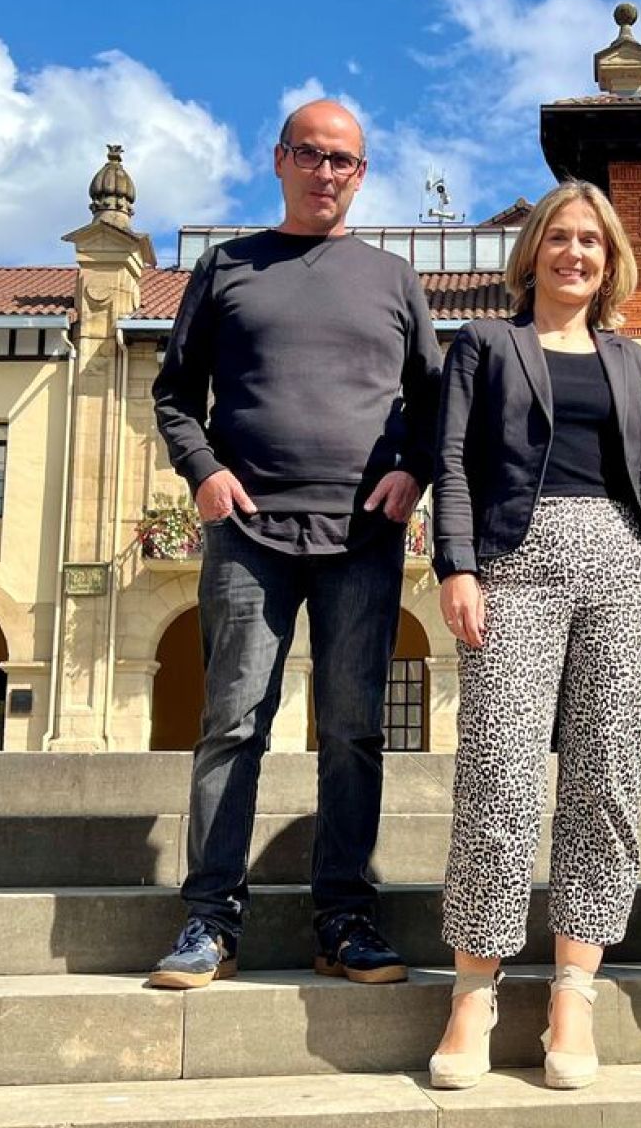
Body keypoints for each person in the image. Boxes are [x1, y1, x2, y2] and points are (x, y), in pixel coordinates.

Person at [148, 99, 441, 990]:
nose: (326, 172)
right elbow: (172, 393)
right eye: (310, 154)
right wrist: (202, 470)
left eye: (344, 160)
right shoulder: (227, 267)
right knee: (234, 724)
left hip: (363, 536)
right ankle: (209, 921)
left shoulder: (395, 278)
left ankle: (346, 917)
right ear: (278, 159)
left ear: (362, 173)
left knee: (353, 730)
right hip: (248, 534)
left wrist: (414, 472)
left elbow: (435, 400)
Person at [426, 181, 641, 1092]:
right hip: (513, 562)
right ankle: (475, 989)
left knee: (608, 776)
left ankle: (575, 989)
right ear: (532, 254)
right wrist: (456, 564)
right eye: (561, 238)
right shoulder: (488, 344)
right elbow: (449, 457)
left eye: (593, 243)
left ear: (610, 262)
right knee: (501, 771)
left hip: (622, 563)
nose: (576, 254)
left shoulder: (632, 359)